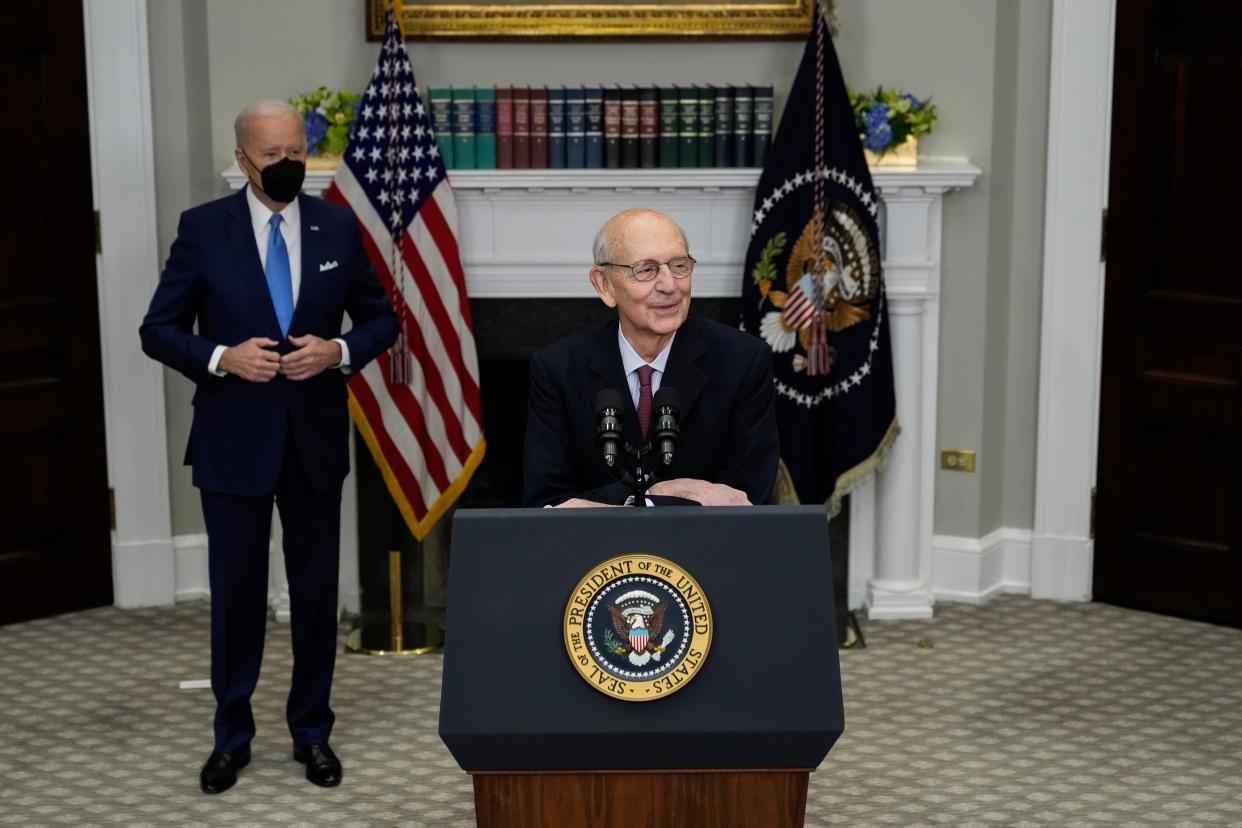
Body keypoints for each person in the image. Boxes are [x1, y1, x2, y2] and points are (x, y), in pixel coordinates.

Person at [139, 100, 398, 794]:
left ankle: (312, 732)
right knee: (236, 596)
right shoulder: (203, 229)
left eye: (296, 153)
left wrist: (337, 350)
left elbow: (382, 320)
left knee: (316, 595)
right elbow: (158, 330)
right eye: (274, 156)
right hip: (232, 441)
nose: (289, 166)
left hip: (313, 438)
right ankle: (232, 737)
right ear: (243, 159)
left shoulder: (336, 223)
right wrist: (223, 357)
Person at [523, 208, 779, 508]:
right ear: (604, 285)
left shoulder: (744, 361)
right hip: (594, 553)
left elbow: (746, 499)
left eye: (679, 265)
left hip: (706, 552)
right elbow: (547, 503)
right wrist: (654, 495)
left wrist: (616, 503)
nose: (670, 285)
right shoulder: (558, 369)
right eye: (646, 270)